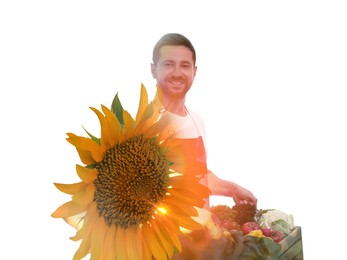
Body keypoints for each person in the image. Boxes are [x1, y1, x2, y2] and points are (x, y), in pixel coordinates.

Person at [150, 33, 257, 209]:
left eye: (185, 65)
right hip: (169, 233)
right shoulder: (147, 125)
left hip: (202, 230)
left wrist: (232, 189)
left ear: (194, 71)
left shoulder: (196, 121)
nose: (177, 73)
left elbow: (196, 176)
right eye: (169, 64)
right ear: (154, 71)